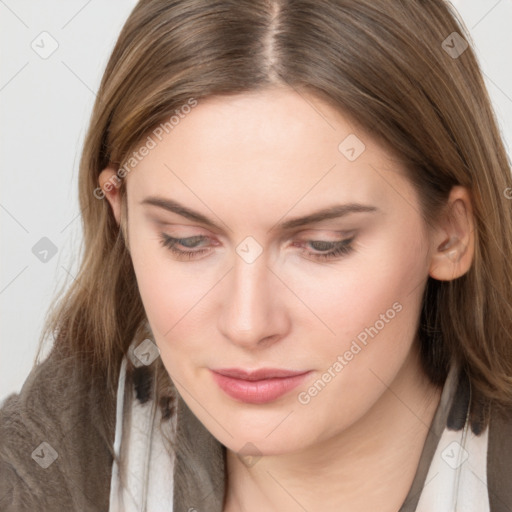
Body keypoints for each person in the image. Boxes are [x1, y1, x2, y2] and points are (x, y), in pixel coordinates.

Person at [2, 0, 512, 511]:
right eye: (187, 240)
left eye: (322, 245)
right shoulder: (47, 463)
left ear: (450, 234)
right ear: (122, 213)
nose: (248, 325)